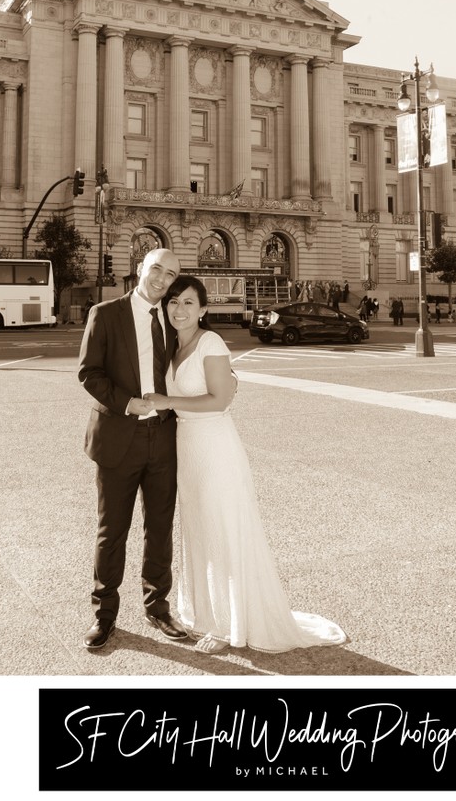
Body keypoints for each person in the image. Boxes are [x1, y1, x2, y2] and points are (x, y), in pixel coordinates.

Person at [144, 275, 348, 654]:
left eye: (189, 303)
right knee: (200, 531)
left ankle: (228, 625)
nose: (179, 309)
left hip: (215, 447)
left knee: (223, 531)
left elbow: (220, 401)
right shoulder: (173, 345)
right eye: (173, 302)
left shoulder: (210, 342)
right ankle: (206, 613)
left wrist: (164, 401)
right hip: (188, 450)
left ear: (204, 309)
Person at [78, 247, 188, 650]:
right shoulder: (105, 313)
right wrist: (127, 402)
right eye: (156, 268)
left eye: (171, 274)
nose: (162, 279)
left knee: (159, 528)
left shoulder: (175, 319)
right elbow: (88, 372)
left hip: (163, 439)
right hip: (118, 436)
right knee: (112, 531)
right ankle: (104, 614)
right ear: (140, 268)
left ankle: (158, 606)